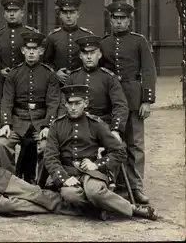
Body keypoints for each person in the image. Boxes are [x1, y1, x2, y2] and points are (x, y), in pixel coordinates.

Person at [43, 84, 158, 221]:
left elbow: (119, 152)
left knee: (94, 192)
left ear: (85, 103)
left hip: (91, 173)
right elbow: (50, 157)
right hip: (68, 172)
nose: (73, 107)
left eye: (78, 103)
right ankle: (103, 209)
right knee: (71, 195)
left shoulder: (96, 124)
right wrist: (64, 178)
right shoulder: (56, 126)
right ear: (65, 104)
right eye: (70, 103)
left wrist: (97, 164)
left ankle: (133, 209)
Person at [100, 1, 157, 204]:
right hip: (111, 100)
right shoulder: (104, 42)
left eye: (122, 18)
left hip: (133, 98)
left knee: (135, 145)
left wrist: (147, 101)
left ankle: (136, 187)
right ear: (110, 20)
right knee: (113, 142)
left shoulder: (139, 41)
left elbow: (149, 71)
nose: (119, 22)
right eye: (115, 18)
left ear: (129, 20)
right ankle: (114, 184)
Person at [0, 32, 60, 181]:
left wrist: (47, 126)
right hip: (18, 120)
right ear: (23, 51)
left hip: (40, 122)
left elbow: (53, 102)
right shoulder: (14, 73)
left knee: (46, 146)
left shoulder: (49, 74)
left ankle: (41, 185)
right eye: (28, 49)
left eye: (35, 49)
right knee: (2, 144)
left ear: (41, 51)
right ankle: (10, 182)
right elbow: (7, 100)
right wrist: (6, 123)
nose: (31, 52)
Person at [65, 35, 128, 138]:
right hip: (75, 125)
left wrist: (116, 129)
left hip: (102, 125)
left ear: (99, 55)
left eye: (92, 53)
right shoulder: (72, 77)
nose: (89, 57)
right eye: (85, 53)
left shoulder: (109, 78)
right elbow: (63, 104)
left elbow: (120, 105)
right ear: (80, 55)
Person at [44, 0, 93, 84]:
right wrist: (55, 73)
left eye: (72, 12)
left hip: (82, 83)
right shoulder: (53, 37)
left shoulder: (87, 36)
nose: (68, 16)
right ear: (60, 15)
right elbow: (46, 62)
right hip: (59, 84)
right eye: (65, 12)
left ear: (78, 14)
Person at [0, 0, 38, 76]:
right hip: (4, 81)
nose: (11, 14)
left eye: (15, 11)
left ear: (22, 13)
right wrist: (0, 71)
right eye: (8, 11)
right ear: (4, 14)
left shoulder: (31, 33)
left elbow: (39, 60)